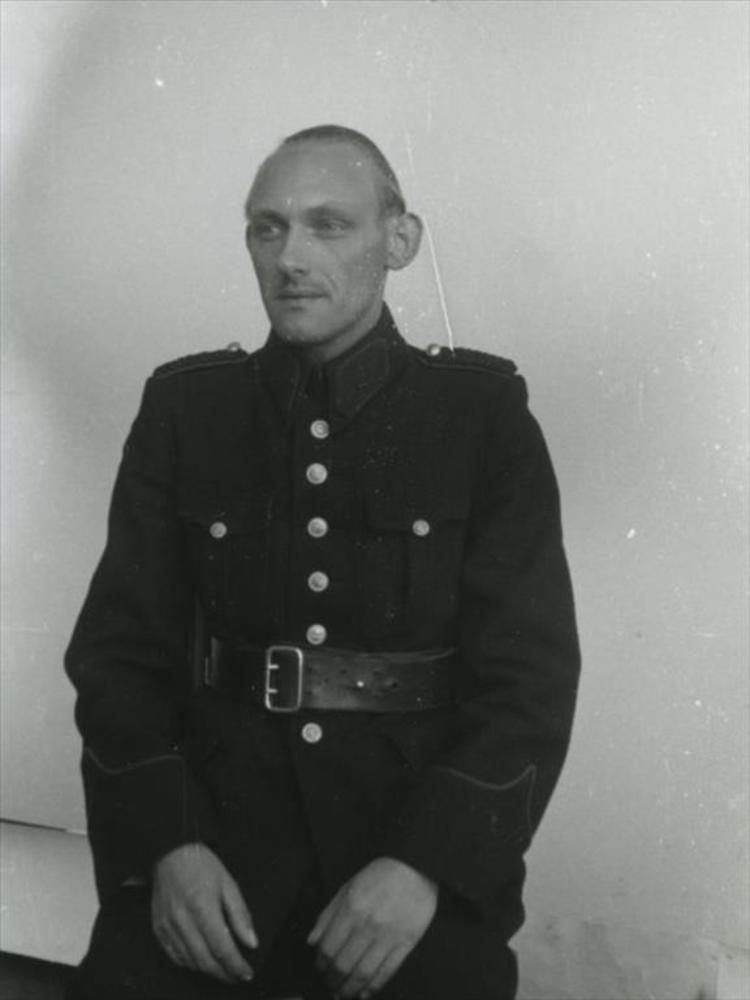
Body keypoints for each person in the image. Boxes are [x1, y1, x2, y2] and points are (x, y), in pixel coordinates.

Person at [64, 124, 580, 1000]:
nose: (290, 257)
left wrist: (425, 866)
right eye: (267, 228)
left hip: (404, 851)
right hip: (215, 847)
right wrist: (169, 846)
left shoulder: (482, 418)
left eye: (328, 225)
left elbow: (529, 684)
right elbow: (118, 661)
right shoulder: (187, 411)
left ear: (400, 241)